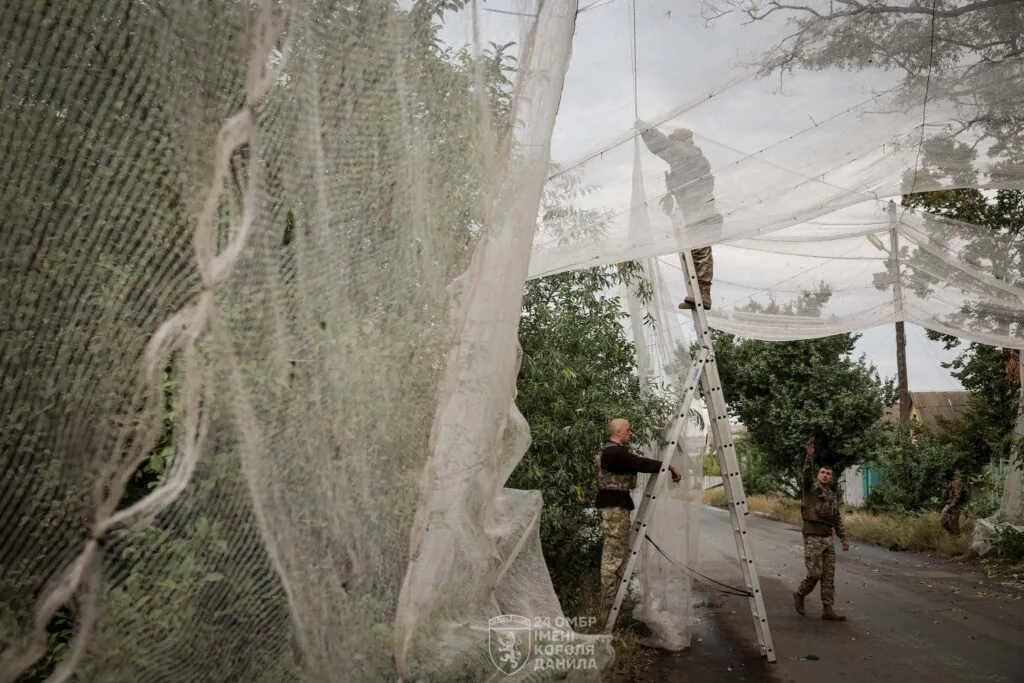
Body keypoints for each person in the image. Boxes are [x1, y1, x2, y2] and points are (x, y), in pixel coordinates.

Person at [635, 121, 722, 311]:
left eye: (675, 140)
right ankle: (698, 294)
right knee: (691, 252)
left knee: (699, 252)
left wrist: (645, 129)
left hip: (702, 213)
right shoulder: (689, 157)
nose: (672, 144)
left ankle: (703, 295)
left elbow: (662, 146)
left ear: (683, 142)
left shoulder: (688, 155)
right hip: (694, 212)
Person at [595, 418, 681, 605]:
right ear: (618, 432)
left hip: (617, 504)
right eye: (628, 430)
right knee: (613, 557)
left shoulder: (611, 451)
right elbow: (636, 462)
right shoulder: (613, 451)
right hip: (614, 506)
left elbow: (633, 462)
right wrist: (667, 467)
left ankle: (611, 600)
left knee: (617, 554)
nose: (630, 433)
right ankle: (607, 604)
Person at [793, 440, 849, 621]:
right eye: (822, 473)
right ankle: (800, 594)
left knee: (828, 575)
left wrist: (843, 537)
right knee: (815, 573)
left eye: (828, 474)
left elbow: (837, 517)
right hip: (813, 536)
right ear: (818, 476)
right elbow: (806, 474)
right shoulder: (810, 488)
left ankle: (828, 609)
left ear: (831, 478)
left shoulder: (832, 495)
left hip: (827, 538)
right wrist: (809, 457)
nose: (825, 475)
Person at [940, 469, 968, 535]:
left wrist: (951, 506)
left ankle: (957, 538)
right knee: (942, 520)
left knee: (954, 524)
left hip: (956, 505)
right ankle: (952, 534)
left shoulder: (957, 482)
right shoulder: (950, 482)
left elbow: (957, 496)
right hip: (950, 504)